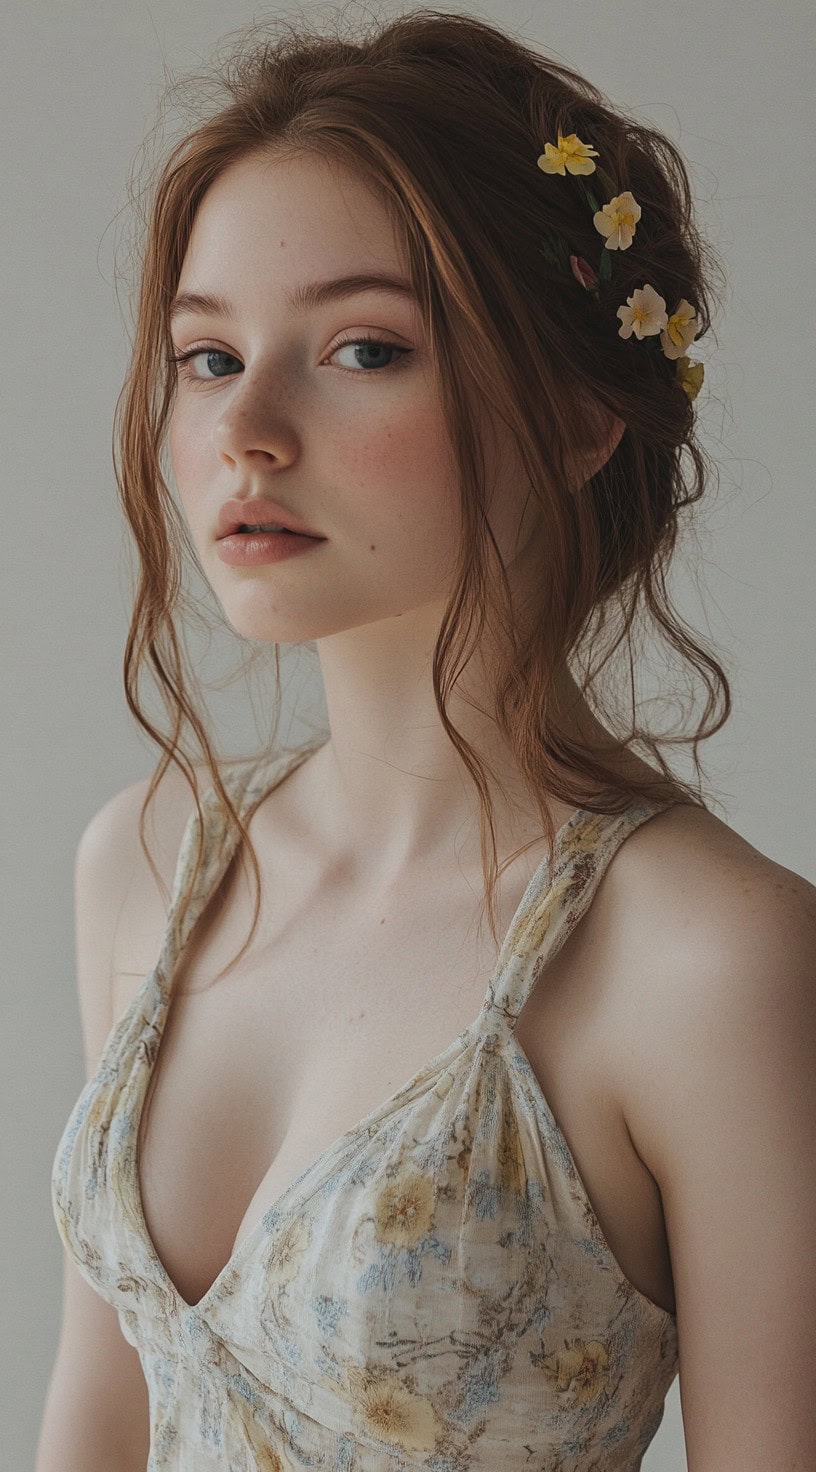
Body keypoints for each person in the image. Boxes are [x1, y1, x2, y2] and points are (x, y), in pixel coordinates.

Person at [38, 9, 815, 1471]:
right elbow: (99, 1416)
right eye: (207, 359)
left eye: (363, 347)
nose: (249, 431)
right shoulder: (144, 862)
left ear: (585, 413)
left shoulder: (707, 955)